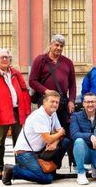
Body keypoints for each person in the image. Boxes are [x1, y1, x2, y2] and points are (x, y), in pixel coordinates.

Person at [0, 48, 31, 179]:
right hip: (1, 113)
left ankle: (20, 167)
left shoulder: (17, 73)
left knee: (20, 142)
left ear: (10, 59)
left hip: (17, 111)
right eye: (1, 57)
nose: (4, 59)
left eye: (6, 57)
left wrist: (26, 111)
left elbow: (25, 93)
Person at [1, 91, 69, 185]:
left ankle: (52, 171)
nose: (55, 104)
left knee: (64, 142)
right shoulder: (39, 115)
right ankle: (12, 170)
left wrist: (56, 141)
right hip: (25, 153)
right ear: (44, 102)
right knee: (46, 179)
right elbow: (50, 138)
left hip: (39, 150)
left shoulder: (53, 113)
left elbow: (60, 133)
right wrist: (60, 133)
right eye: (52, 101)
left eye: (57, 102)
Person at [29, 34, 76, 164]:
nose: (58, 48)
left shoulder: (67, 62)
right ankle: (47, 162)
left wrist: (71, 100)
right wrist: (46, 91)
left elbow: (72, 84)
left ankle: (71, 162)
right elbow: (32, 81)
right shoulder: (40, 60)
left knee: (65, 132)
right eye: (56, 45)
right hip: (46, 103)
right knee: (48, 133)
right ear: (50, 45)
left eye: (61, 46)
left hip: (63, 103)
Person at [70, 93, 96, 185]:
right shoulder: (76, 116)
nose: (90, 104)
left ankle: (94, 166)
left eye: (92, 102)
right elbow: (74, 134)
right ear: (83, 103)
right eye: (87, 102)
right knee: (79, 141)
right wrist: (90, 136)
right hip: (83, 151)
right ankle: (81, 173)